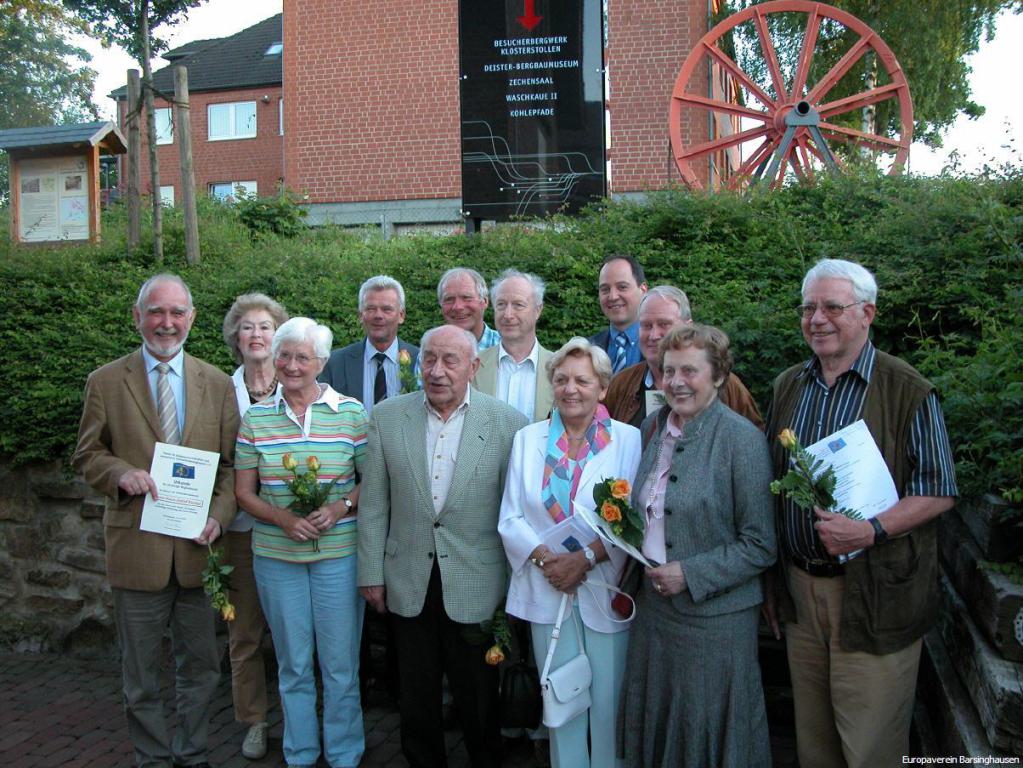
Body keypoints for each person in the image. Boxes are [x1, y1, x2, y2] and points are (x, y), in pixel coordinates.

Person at [764, 259, 957, 768]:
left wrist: (871, 530)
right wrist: (772, 581)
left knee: (870, 749)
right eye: (808, 308)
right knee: (816, 746)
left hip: (874, 595)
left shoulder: (906, 388)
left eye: (832, 307)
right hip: (801, 595)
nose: (816, 319)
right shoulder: (788, 386)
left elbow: (938, 490)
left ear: (866, 313)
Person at [73, 273, 239, 768]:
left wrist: (219, 517)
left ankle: (192, 753)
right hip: (137, 550)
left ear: (192, 318)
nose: (167, 323)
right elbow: (87, 454)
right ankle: (151, 758)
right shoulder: (106, 381)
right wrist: (119, 473)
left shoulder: (217, 383)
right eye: (156, 312)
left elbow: (232, 467)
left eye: (177, 312)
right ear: (137, 317)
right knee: (141, 675)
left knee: (202, 669)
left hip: (196, 552)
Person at [358, 324, 528, 768]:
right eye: (428, 359)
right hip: (407, 577)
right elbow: (374, 504)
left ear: (473, 366)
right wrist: (370, 574)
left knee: (479, 698)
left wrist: (516, 587)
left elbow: (515, 512)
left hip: (477, 581)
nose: (436, 371)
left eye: (450, 360)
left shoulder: (508, 423)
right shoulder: (387, 417)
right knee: (415, 696)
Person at [618, 324, 776, 767]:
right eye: (669, 371)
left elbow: (761, 544)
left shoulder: (741, 440)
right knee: (660, 723)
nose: (676, 382)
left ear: (719, 375)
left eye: (690, 371)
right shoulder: (652, 427)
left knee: (706, 729)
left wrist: (689, 573)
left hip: (715, 621)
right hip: (654, 612)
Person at [499, 337, 641, 768]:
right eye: (561, 379)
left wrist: (586, 558)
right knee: (561, 704)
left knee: (609, 705)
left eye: (582, 380)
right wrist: (549, 561)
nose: (570, 389)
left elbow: (636, 519)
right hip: (549, 586)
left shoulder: (629, 440)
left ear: (603, 388)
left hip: (604, 589)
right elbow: (510, 516)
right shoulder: (528, 438)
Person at [234, 317, 368, 768]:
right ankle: (301, 752)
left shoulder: (350, 412)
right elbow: (243, 493)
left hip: (338, 556)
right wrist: (283, 519)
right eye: (284, 356)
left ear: (322, 363)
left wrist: (340, 508)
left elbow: (372, 480)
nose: (292, 366)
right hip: (277, 557)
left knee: (340, 663)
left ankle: (345, 753)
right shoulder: (256, 418)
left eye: (302, 357)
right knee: (293, 664)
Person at [220, 292, 289, 760]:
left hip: (290, 528)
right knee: (245, 632)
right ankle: (254, 720)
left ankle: (300, 716)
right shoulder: (219, 391)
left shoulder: (299, 383)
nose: (257, 335)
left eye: (266, 326)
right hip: (241, 528)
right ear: (236, 337)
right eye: (248, 327)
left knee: (293, 633)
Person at [604, 286, 763, 430]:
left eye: (664, 324)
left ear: (688, 327)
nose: (653, 335)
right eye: (646, 326)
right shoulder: (621, 384)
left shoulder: (725, 385)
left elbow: (753, 439)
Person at [320, 275, 419, 418]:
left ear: (401, 315)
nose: (378, 315)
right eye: (371, 309)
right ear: (361, 315)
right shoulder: (335, 363)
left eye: (387, 309)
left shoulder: (421, 361)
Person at [473, 268, 554, 421]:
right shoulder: (473, 366)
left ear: (538, 310)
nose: (508, 314)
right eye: (501, 304)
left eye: (518, 305)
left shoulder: (558, 368)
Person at [587, 254, 648, 373]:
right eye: (605, 289)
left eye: (622, 287)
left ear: (643, 290)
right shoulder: (587, 348)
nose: (613, 296)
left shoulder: (662, 345)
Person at [437, 267, 501, 350]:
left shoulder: (508, 347)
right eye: (449, 299)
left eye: (466, 297)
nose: (458, 307)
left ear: (484, 302)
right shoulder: (431, 350)